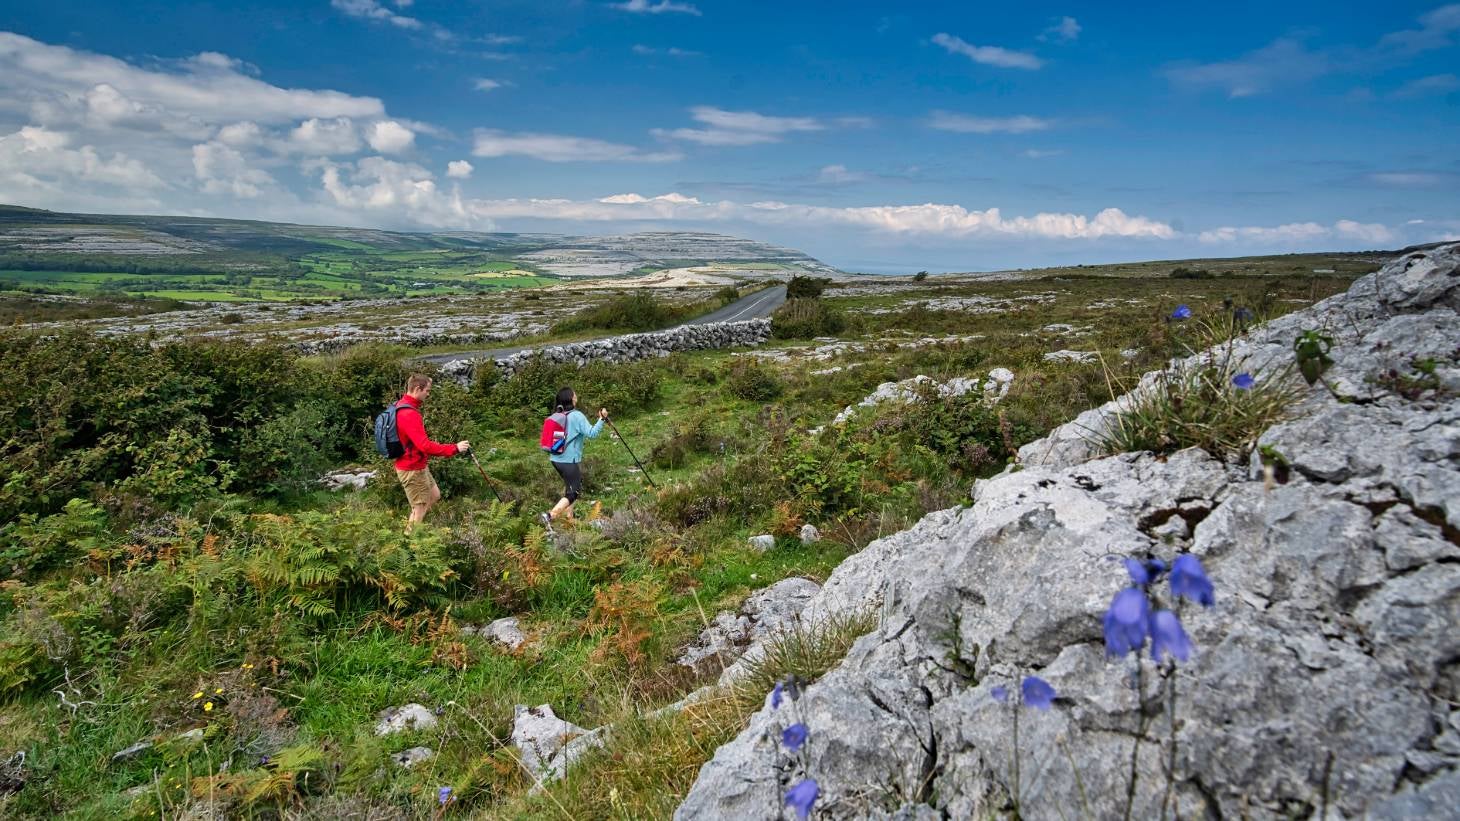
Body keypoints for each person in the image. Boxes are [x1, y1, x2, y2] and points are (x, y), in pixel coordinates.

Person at [393, 374, 470, 528]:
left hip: (418, 465)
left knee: (434, 496)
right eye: (427, 391)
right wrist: (454, 448)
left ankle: (414, 523)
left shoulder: (402, 405)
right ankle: (410, 543)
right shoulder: (409, 414)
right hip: (412, 468)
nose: (428, 394)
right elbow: (425, 446)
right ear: (417, 389)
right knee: (420, 508)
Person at [543, 386, 607, 525]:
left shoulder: (558, 415)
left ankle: (569, 518)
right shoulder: (576, 416)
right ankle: (550, 516)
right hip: (568, 461)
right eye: (574, 394)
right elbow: (592, 433)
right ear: (571, 398)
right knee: (574, 492)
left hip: (556, 459)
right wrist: (601, 419)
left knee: (570, 487)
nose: (576, 395)